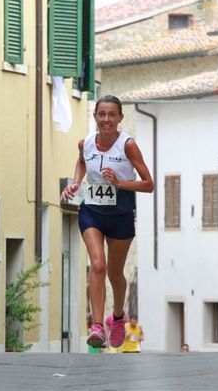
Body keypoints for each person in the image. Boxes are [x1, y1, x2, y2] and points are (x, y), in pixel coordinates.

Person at [61, 95, 154, 349]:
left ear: (120, 118)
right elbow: (81, 162)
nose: (106, 120)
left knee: (114, 273)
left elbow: (149, 184)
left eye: (112, 115)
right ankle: (98, 326)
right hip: (91, 210)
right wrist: (75, 184)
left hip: (121, 212)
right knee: (98, 265)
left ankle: (118, 316)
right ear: (95, 117)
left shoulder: (128, 146)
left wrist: (119, 183)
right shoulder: (86, 143)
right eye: (102, 114)